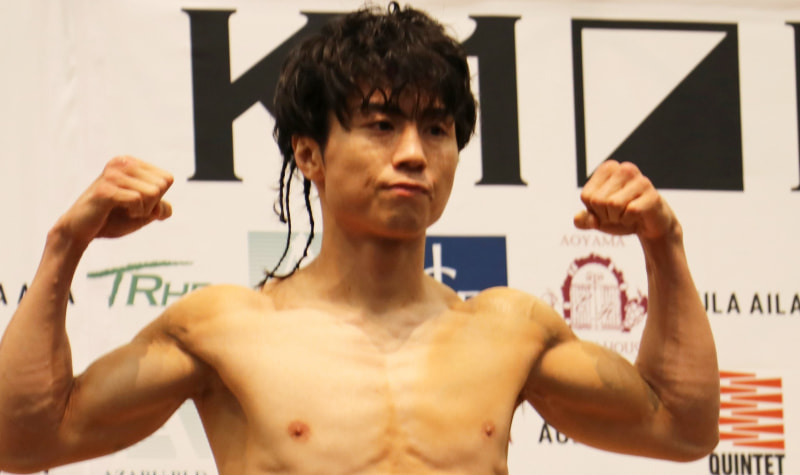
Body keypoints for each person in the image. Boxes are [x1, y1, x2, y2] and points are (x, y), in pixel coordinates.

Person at [0, 2, 719, 474]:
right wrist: (65, 245)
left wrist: (665, 243)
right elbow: (25, 438)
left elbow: (682, 427)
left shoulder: (509, 330)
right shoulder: (227, 328)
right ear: (309, 153)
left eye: (436, 129)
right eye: (381, 125)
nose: (413, 154)